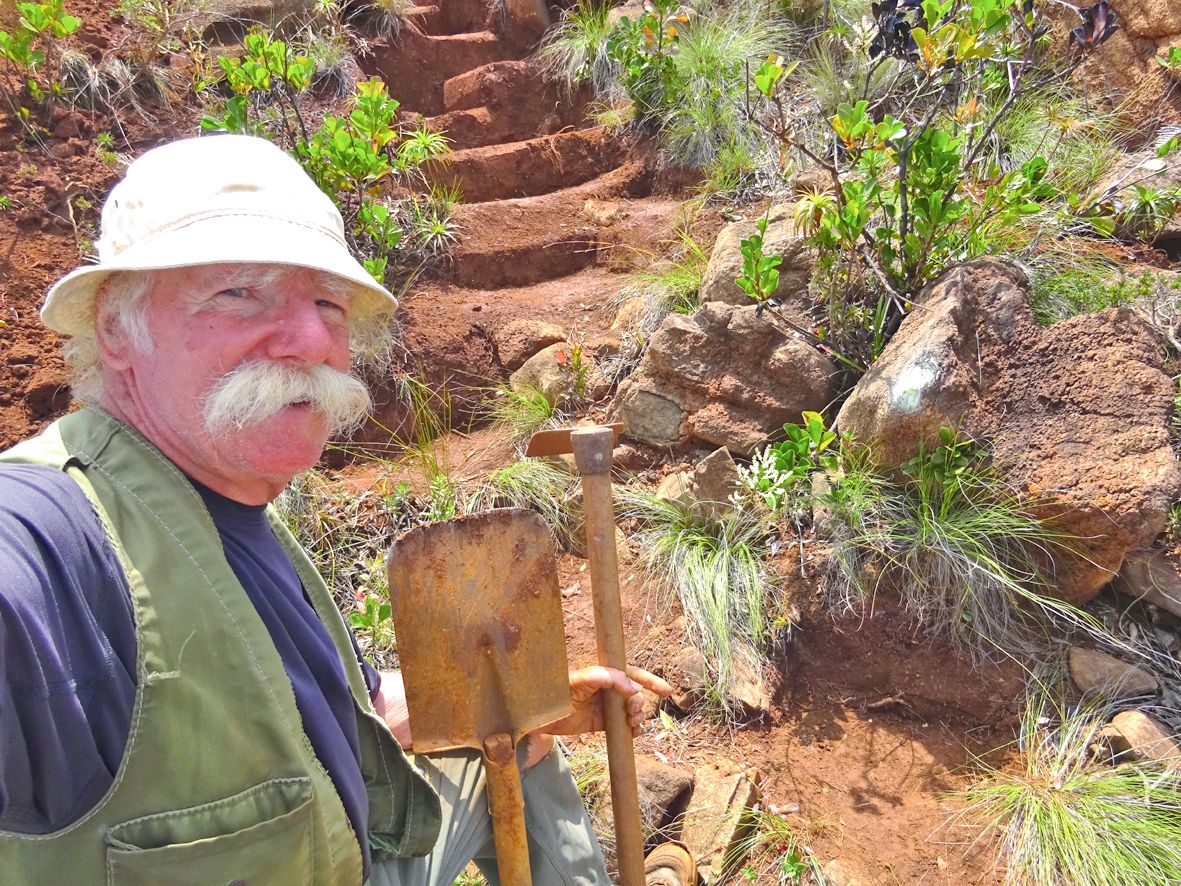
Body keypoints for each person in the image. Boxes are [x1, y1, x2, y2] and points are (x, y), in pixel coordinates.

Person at [0, 134, 677, 885]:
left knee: (516, 741)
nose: (314, 339)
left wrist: (525, 700)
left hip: (345, 848)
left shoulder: (234, 508)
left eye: (327, 303)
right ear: (115, 329)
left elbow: (320, 713)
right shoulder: (50, 535)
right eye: (241, 291)